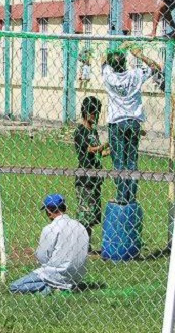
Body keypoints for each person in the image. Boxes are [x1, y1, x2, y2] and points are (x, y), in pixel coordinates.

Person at [101, 46, 161, 205]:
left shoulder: (109, 77)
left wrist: (117, 48)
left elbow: (103, 60)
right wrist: (140, 55)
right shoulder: (135, 74)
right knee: (132, 160)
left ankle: (121, 196)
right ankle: (131, 196)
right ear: (126, 63)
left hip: (116, 122)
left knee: (119, 160)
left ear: (112, 65)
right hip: (134, 121)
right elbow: (156, 67)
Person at [9, 194, 89, 295]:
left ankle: (50, 289)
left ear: (48, 211)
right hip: (78, 273)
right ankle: (67, 286)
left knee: (14, 287)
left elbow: (42, 256)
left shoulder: (50, 228)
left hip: (55, 274)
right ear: (64, 207)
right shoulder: (80, 226)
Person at [74, 96, 108, 248]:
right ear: (86, 113)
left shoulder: (93, 131)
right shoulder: (81, 131)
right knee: (85, 214)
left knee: (93, 214)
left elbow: (99, 152)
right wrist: (106, 144)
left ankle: (86, 244)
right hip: (85, 178)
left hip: (95, 178)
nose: (96, 116)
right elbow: (90, 149)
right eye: (93, 113)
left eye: (98, 113)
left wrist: (111, 150)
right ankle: (82, 245)